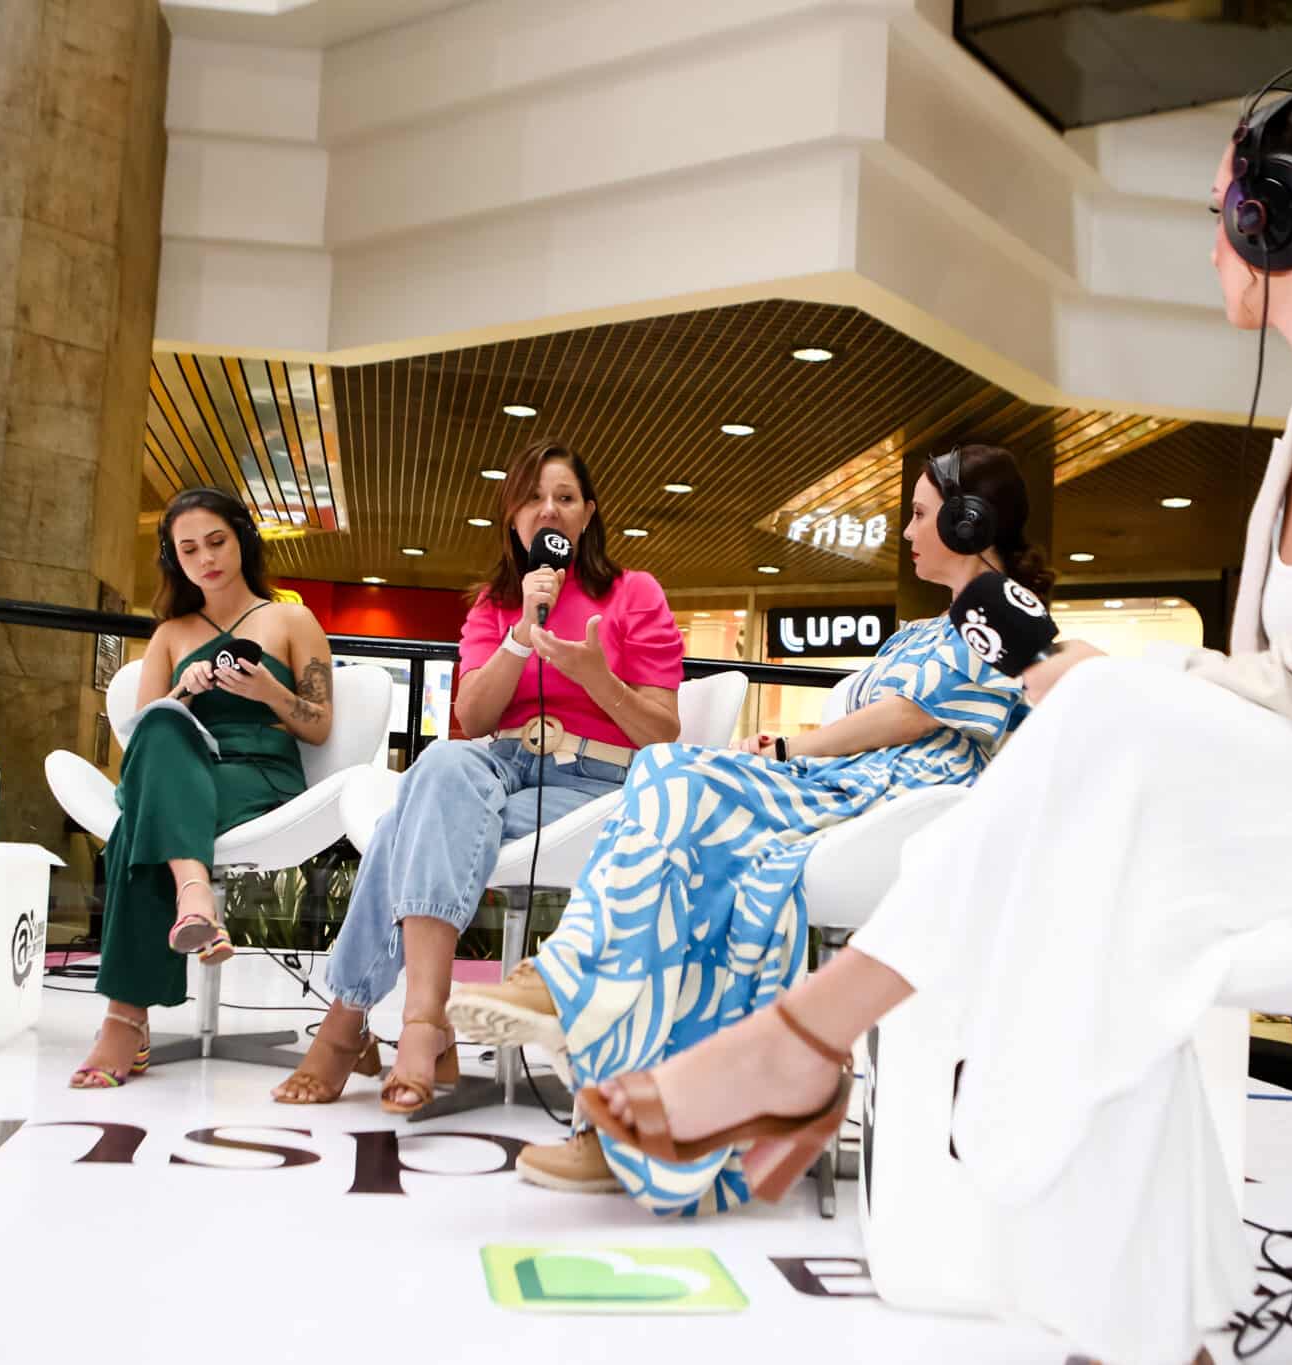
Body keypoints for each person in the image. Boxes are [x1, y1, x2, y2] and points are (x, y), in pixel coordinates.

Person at [570, 71, 1292, 1365]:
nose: (1210, 243)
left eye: (1223, 209)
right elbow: (1286, 698)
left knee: (1111, 734)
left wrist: (1138, 687)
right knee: (1103, 923)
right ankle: (1134, 1333)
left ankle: (808, 1041)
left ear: (1281, 217)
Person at [447, 446, 1040, 1209]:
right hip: (845, 791)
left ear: (970, 522)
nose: (907, 531)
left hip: (898, 800)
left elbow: (910, 715)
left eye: (922, 514)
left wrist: (793, 745)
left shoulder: (1001, 613)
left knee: (670, 774)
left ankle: (572, 981)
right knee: (691, 855)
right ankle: (622, 1125)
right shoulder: (922, 630)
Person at [274, 439, 684, 1112]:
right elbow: (469, 715)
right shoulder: (496, 604)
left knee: (412, 823)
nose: (548, 509)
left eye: (565, 497)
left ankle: (357, 1023)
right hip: (501, 766)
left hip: (595, 785)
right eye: (532, 497)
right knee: (440, 763)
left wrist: (596, 678)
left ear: (588, 515)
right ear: (513, 518)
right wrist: (522, 634)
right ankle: (425, 1022)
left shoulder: (634, 593)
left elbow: (662, 732)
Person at [70, 487, 336, 1088]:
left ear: (242, 538)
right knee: (163, 729)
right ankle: (195, 896)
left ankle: (124, 1021)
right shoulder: (169, 633)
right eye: (188, 550)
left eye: (216, 541)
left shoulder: (291, 618)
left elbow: (319, 727)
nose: (206, 559)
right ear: (174, 559)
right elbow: (141, 737)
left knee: (136, 823)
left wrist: (268, 691)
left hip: (258, 770)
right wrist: (183, 694)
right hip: (181, 764)